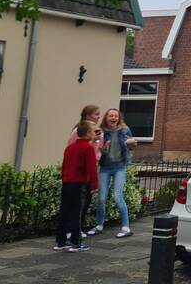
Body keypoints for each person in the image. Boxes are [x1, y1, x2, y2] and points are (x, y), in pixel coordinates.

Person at [88, 108, 136, 238]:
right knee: (101, 198)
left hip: (120, 167)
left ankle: (126, 227)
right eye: (111, 116)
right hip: (105, 167)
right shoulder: (101, 131)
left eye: (116, 116)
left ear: (119, 118)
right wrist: (104, 148)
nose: (113, 118)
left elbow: (132, 145)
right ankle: (99, 225)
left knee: (117, 196)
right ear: (106, 118)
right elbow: (97, 150)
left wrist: (131, 146)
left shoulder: (125, 130)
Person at [54, 120, 99, 252]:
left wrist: (64, 179)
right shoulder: (88, 148)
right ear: (88, 133)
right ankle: (75, 242)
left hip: (67, 183)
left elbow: (64, 166)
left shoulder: (69, 148)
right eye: (93, 131)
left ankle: (60, 241)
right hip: (80, 184)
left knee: (64, 211)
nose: (95, 133)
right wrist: (95, 185)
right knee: (77, 213)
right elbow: (91, 168)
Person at [67, 105, 103, 235]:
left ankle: (78, 228)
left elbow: (98, 150)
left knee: (86, 201)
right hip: (79, 171)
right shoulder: (78, 131)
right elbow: (75, 148)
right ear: (88, 116)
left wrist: (102, 149)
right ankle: (71, 230)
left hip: (91, 169)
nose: (99, 117)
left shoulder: (99, 132)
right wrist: (92, 141)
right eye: (96, 114)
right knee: (77, 202)